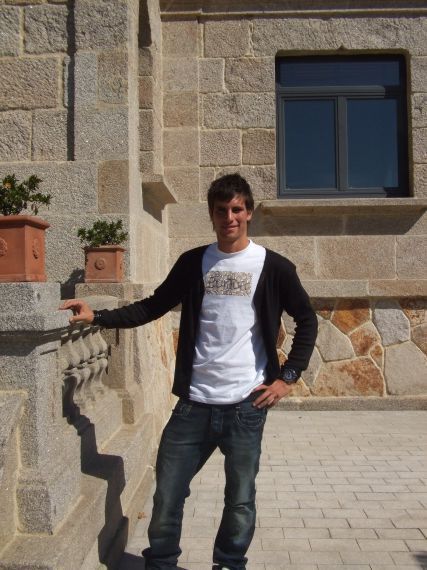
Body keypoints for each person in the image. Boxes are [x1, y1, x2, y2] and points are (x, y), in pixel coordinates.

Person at [60, 173, 317, 570]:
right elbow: (152, 306)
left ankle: (229, 563)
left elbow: (307, 320)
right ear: (211, 215)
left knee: (240, 499)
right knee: (167, 494)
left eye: (237, 209)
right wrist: (99, 316)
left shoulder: (274, 267)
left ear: (249, 212)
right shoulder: (194, 262)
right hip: (193, 405)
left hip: (246, 406)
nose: (229, 217)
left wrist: (288, 378)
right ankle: (161, 563)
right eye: (221, 210)